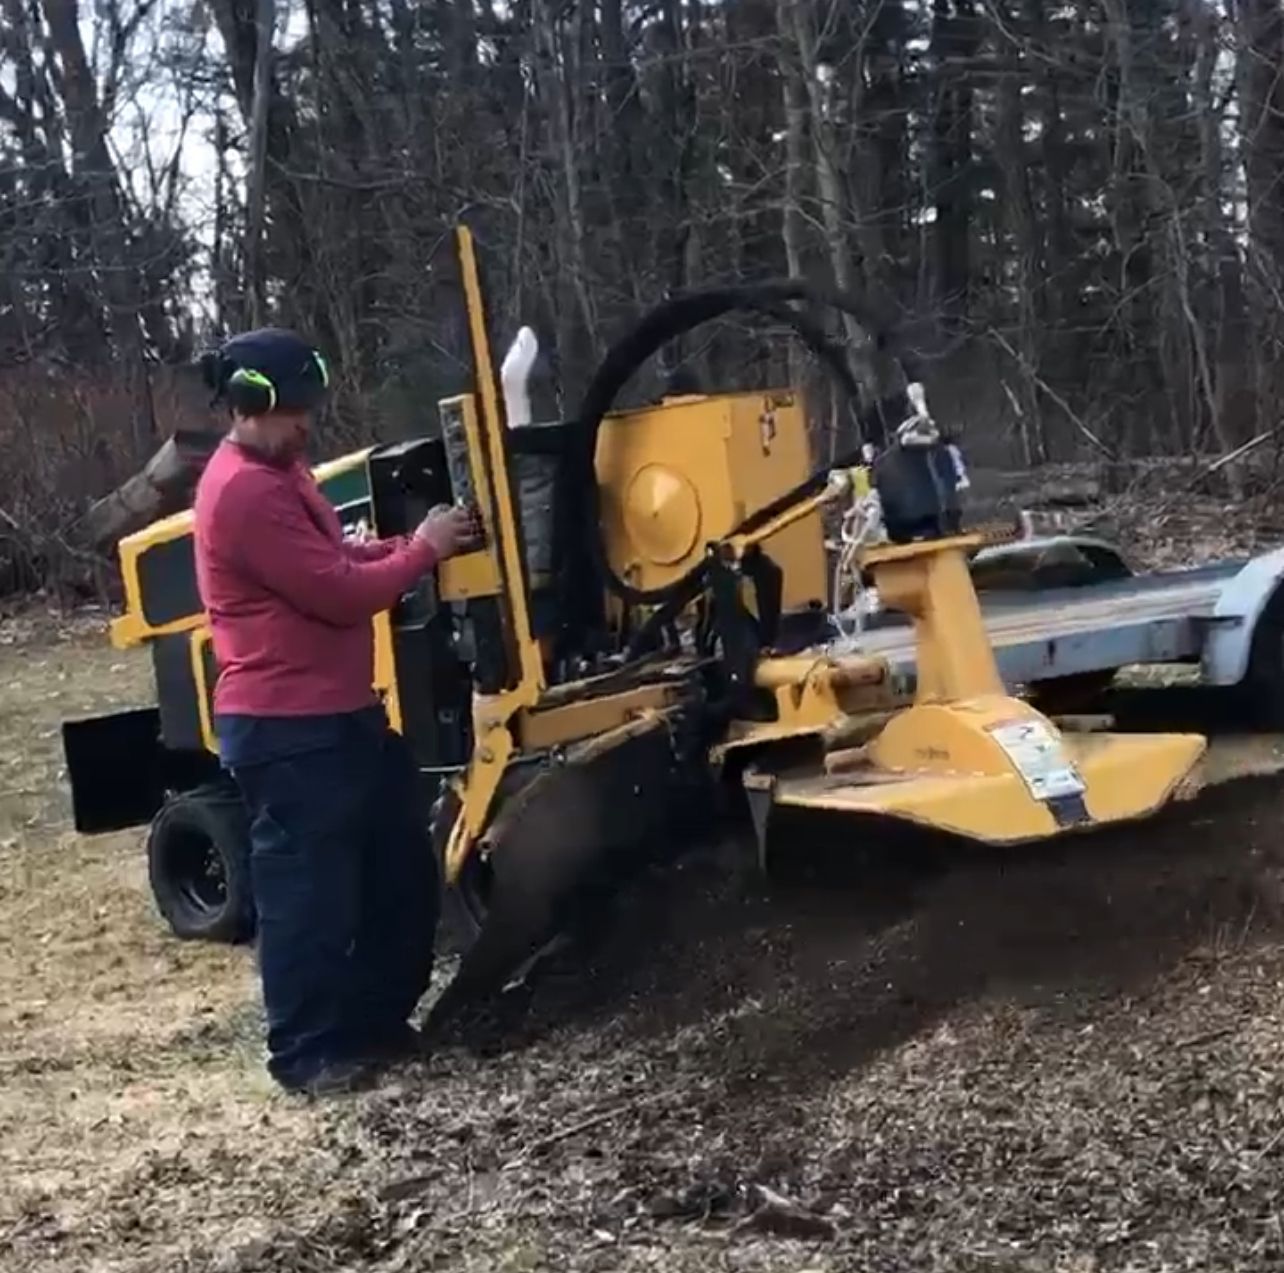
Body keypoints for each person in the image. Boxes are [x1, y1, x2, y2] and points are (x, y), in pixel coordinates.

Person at [192, 327, 474, 1096]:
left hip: (341, 716)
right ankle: (308, 1053)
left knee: (398, 874)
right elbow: (338, 594)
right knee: (307, 899)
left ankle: (376, 1023)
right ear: (249, 407)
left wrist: (396, 546)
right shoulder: (245, 491)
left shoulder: (284, 471)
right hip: (288, 731)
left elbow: (339, 559)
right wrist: (422, 550)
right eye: (291, 412)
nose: (306, 424)